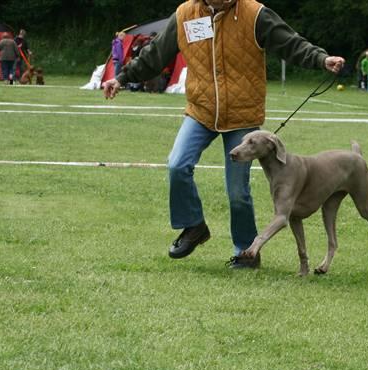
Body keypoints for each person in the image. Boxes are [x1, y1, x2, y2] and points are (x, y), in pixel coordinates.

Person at [103, 0, 345, 269]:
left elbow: (291, 43)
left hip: (242, 115)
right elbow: (155, 54)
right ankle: (194, 226)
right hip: (201, 111)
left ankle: (246, 253)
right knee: (177, 164)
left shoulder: (255, 14)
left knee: (237, 191)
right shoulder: (185, 14)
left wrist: (322, 59)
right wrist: (122, 78)